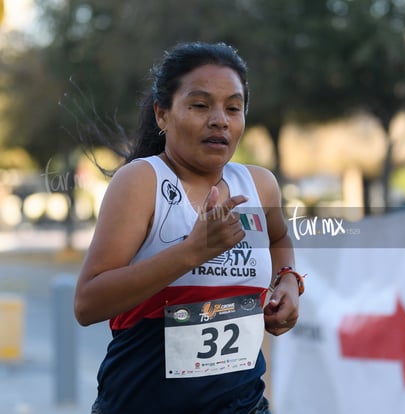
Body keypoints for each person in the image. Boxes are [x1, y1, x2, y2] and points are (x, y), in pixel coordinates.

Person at [74, 41, 304, 414]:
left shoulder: (259, 185)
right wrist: (192, 252)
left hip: (244, 406)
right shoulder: (142, 182)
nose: (220, 120)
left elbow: (279, 238)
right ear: (162, 114)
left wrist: (290, 283)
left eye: (233, 108)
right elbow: (87, 304)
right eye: (200, 105)